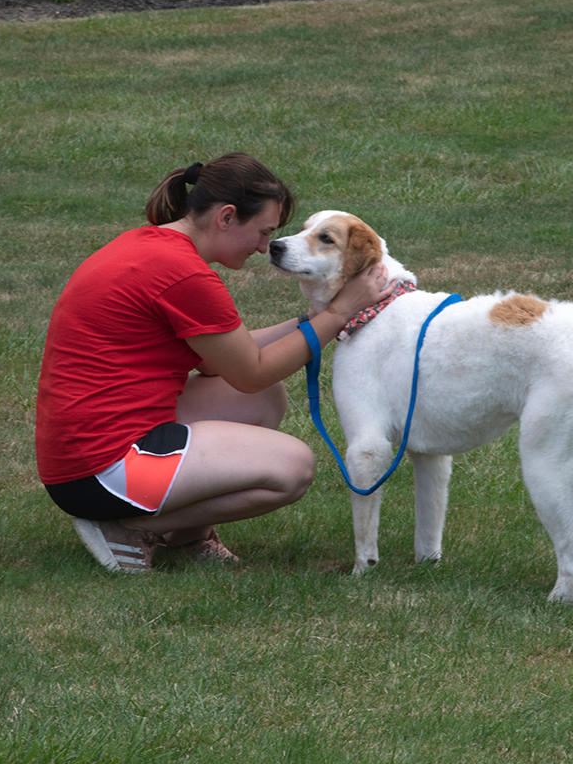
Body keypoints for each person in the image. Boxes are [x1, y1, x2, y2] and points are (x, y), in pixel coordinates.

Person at [35, 153, 393, 573]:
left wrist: (313, 321)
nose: (264, 247)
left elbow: (226, 360)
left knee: (264, 401)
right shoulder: (183, 274)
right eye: (261, 232)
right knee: (293, 468)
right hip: (99, 467)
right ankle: (127, 527)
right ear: (226, 217)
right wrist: (337, 315)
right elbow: (251, 371)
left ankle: (189, 538)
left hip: (80, 452)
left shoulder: (148, 246)